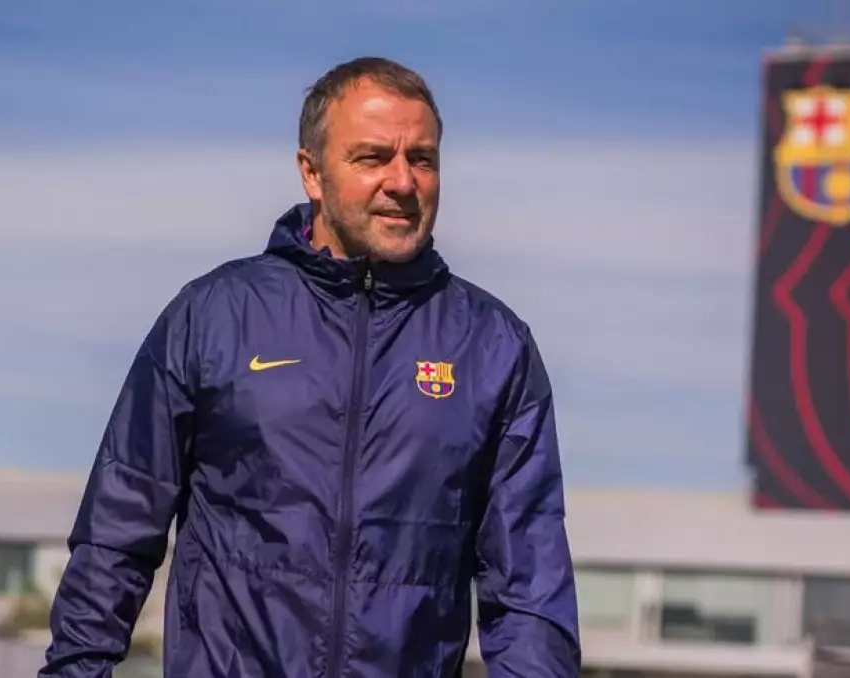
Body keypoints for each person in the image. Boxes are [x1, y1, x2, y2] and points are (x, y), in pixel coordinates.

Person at [39, 56, 581, 678]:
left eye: (422, 159)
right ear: (312, 172)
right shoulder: (213, 317)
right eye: (372, 158)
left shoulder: (494, 347)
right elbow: (117, 529)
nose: (403, 181)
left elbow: (530, 584)